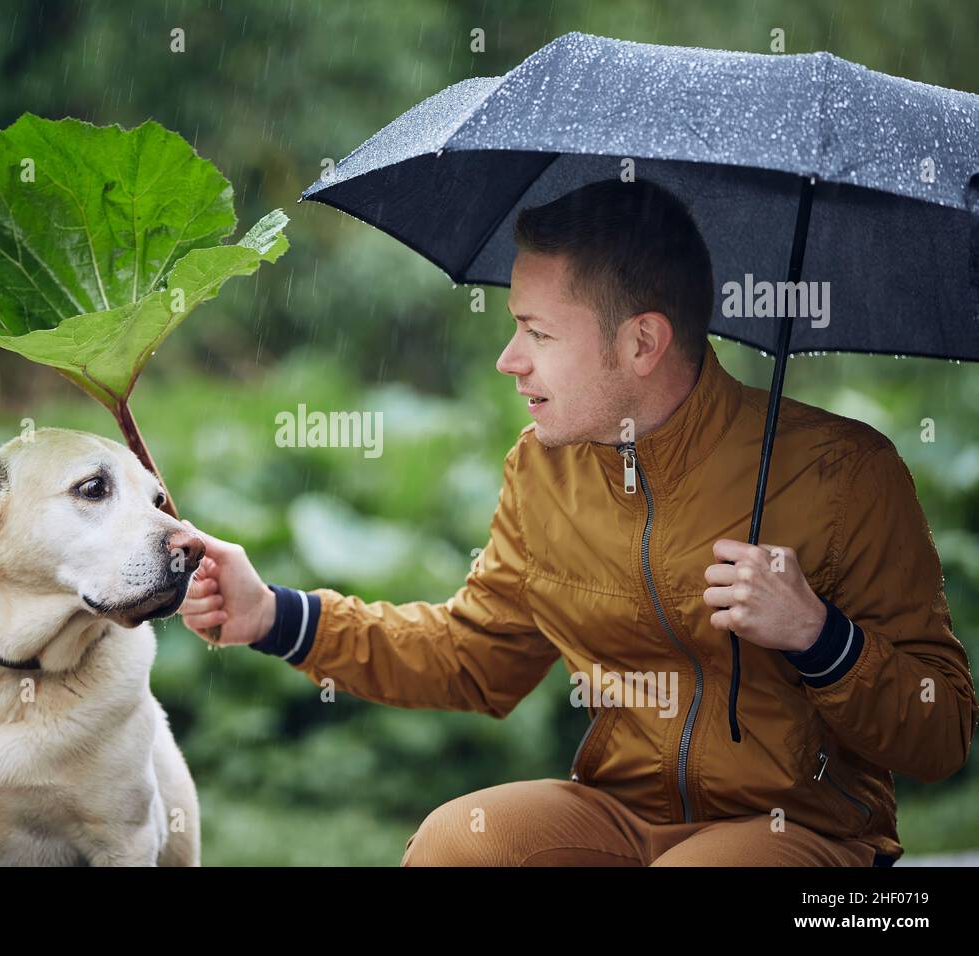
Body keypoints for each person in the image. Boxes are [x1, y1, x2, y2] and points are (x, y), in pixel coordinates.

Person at [179, 178, 979, 867]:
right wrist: (276, 616)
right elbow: (474, 659)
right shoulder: (542, 469)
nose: (508, 359)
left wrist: (818, 635)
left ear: (642, 342)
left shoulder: (846, 474)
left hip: (807, 835)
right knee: (461, 843)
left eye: (537, 332)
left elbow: (941, 734)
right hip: (621, 818)